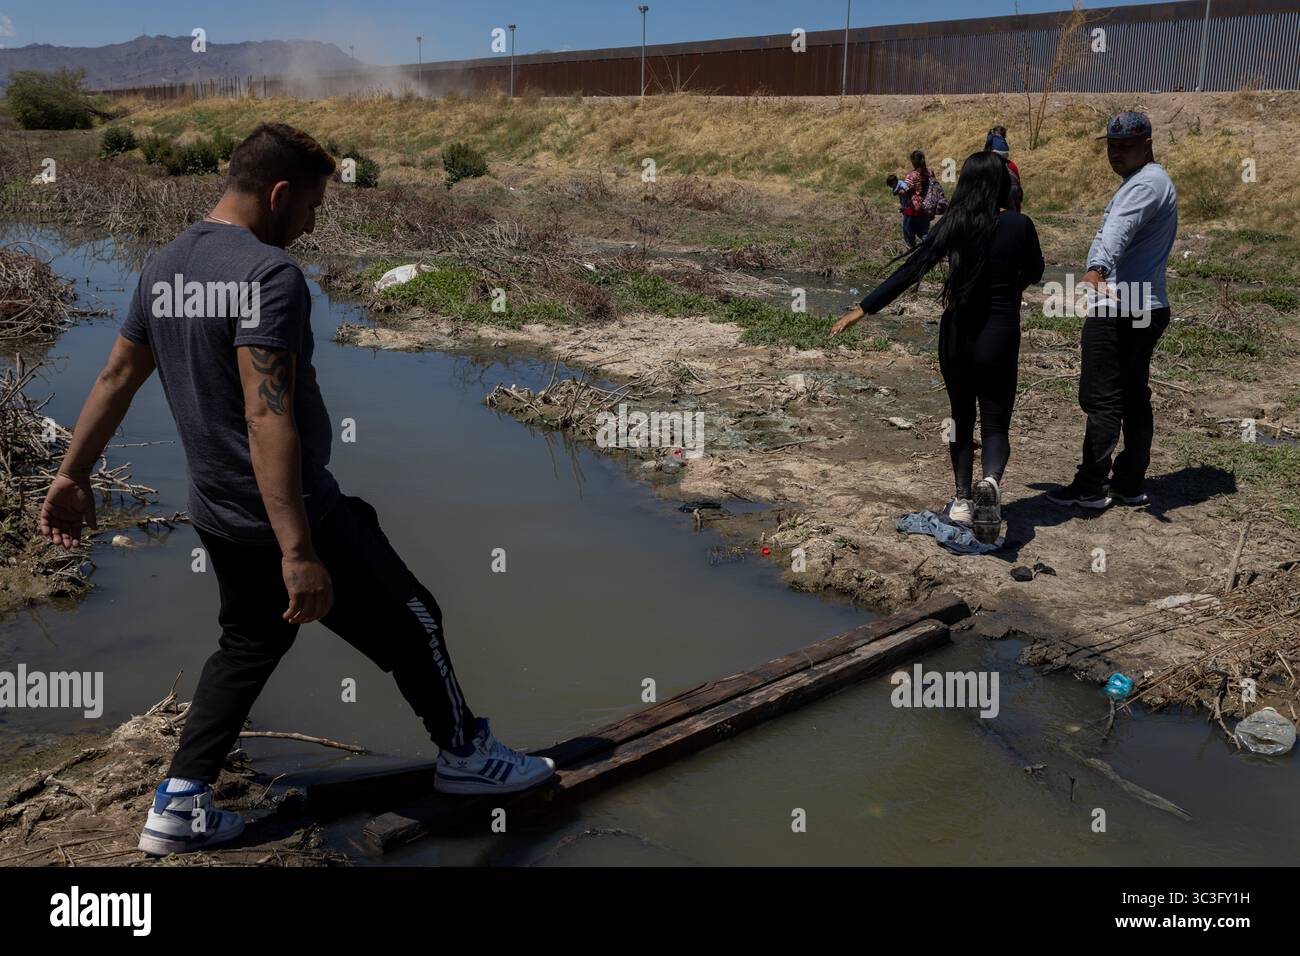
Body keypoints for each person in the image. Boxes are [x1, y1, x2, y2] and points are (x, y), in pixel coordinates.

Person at [38, 123, 556, 857]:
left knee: (248, 644)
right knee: (415, 620)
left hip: (217, 512)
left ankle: (179, 803)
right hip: (293, 515)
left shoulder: (164, 267)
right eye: (312, 206)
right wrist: (298, 549)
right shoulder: (266, 274)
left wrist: (71, 475)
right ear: (279, 194)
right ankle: (468, 756)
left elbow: (116, 376)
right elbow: (264, 413)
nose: (312, 224)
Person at [830, 152, 1044, 544]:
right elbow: (1036, 272)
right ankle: (991, 482)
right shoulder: (1019, 225)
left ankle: (962, 500)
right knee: (995, 422)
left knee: (960, 417)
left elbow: (912, 269)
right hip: (999, 334)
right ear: (1002, 185)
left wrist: (863, 309)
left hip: (956, 335)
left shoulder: (954, 224)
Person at [1047, 111, 1177, 510]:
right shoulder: (1149, 181)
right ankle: (1129, 483)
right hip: (1144, 301)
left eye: (1126, 147)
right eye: (1113, 147)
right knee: (1133, 394)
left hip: (1121, 303)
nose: (1117, 154)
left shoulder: (1145, 185)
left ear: (1147, 144)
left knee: (1101, 396)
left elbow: (1119, 226)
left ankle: (1090, 486)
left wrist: (1095, 270)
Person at [899, 150, 935, 248]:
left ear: (913, 162)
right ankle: (931, 248)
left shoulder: (912, 175)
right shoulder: (930, 172)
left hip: (912, 210)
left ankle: (912, 251)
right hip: (926, 207)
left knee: (908, 232)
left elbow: (903, 191)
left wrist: (897, 188)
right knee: (924, 232)